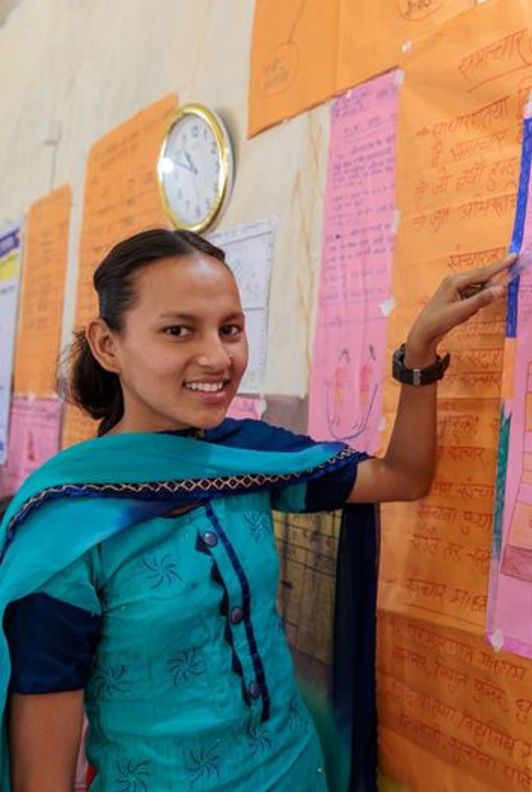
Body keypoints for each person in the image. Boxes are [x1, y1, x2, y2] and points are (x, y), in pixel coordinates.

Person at [0, 229, 512, 792]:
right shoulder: (67, 529)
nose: (218, 357)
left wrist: (418, 353)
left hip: (299, 772)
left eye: (231, 329)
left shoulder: (245, 457)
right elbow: (41, 776)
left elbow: (402, 477)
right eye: (178, 330)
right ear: (107, 345)